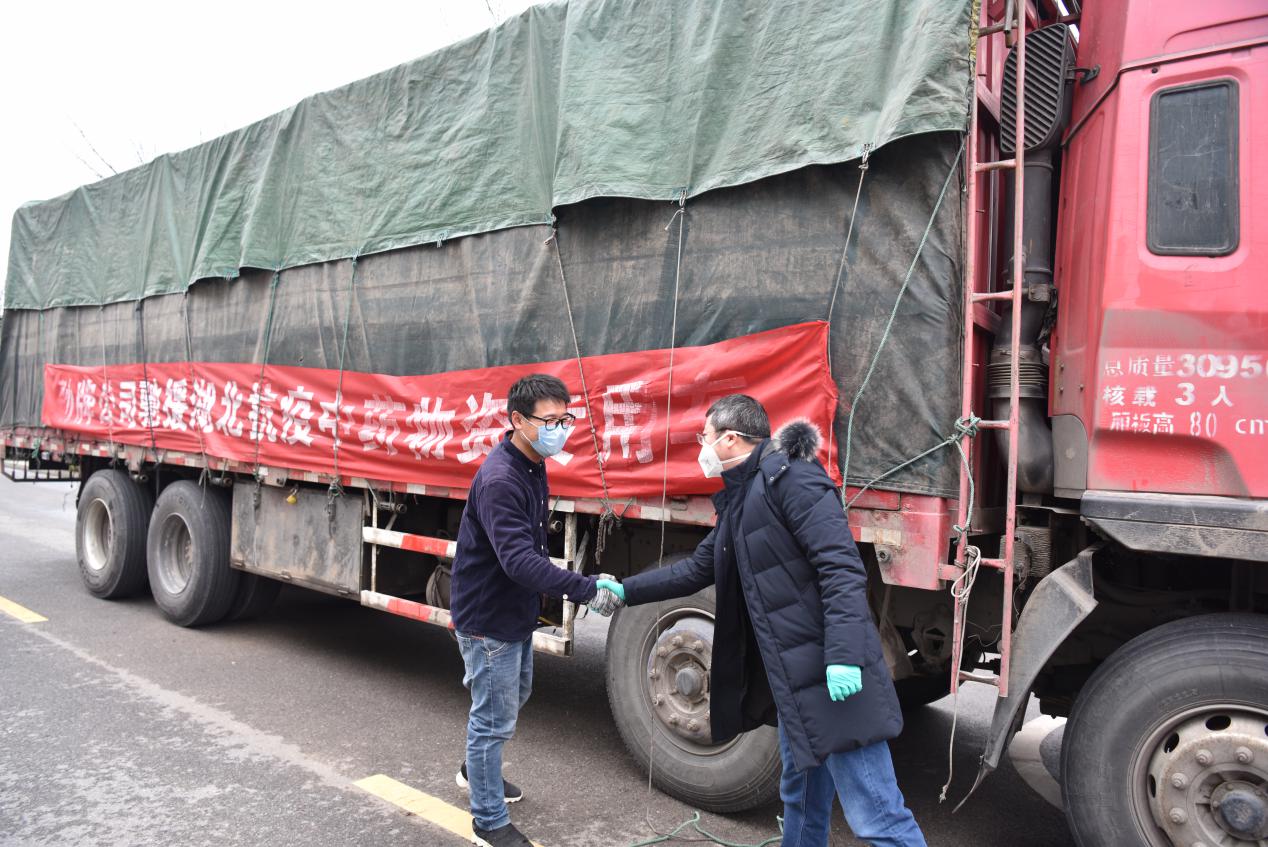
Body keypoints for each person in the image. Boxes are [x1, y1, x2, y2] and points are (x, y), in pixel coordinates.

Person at [596, 395, 926, 847]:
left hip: (832, 676)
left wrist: (844, 656)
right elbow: (697, 569)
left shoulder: (794, 479)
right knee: (801, 800)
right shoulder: (742, 498)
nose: (702, 446)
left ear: (731, 439)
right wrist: (626, 590)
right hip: (793, 682)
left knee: (877, 816)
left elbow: (841, 569)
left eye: (705, 437)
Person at [449, 373, 617, 847]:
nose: (560, 430)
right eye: (550, 421)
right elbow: (519, 561)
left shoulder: (532, 462)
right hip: (488, 617)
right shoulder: (502, 479)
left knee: (513, 697)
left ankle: (476, 770)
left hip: (513, 610)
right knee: (493, 719)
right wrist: (585, 589)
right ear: (518, 420)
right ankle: (488, 820)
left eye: (565, 419)